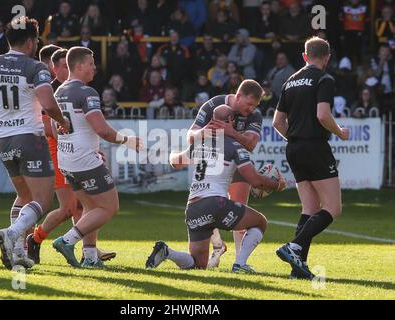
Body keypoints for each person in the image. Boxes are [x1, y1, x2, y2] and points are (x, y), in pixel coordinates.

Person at [0, 16, 70, 270]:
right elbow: (47, 103)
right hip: (29, 138)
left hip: (3, 139)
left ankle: (19, 251)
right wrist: (63, 121)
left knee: (24, 196)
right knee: (43, 201)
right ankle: (13, 234)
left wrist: (1, 108)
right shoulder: (36, 68)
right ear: (32, 41)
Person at [145, 104, 285, 271]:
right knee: (260, 222)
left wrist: (171, 153)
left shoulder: (199, 143)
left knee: (198, 265)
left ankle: (168, 252)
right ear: (231, 121)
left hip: (193, 208)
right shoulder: (235, 145)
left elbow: (175, 162)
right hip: (216, 204)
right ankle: (240, 264)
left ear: (212, 120)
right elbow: (255, 180)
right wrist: (277, 185)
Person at [52, 46, 142, 268]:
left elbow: (55, 129)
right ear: (80, 65)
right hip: (84, 160)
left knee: (91, 208)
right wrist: (127, 140)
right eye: (91, 63)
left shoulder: (59, 91)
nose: (95, 68)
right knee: (109, 207)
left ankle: (90, 257)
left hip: (67, 159)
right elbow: (103, 130)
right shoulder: (86, 93)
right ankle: (67, 241)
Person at [27, 48, 116, 264]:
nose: (67, 69)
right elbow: (49, 128)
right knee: (69, 208)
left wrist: (88, 146)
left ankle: (90, 253)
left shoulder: (65, 90)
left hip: (72, 153)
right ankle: (36, 239)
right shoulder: (50, 92)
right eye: (63, 66)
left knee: (84, 206)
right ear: (54, 68)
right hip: (59, 154)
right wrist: (78, 147)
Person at [272, 36, 350, 279]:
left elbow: (277, 122)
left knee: (309, 207)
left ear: (304, 56)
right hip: (315, 146)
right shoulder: (324, 79)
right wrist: (340, 132)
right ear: (326, 58)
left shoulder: (290, 81)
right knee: (333, 208)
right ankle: (294, 246)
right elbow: (323, 114)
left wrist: (296, 139)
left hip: (293, 147)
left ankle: (299, 268)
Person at [187, 79, 265, 270]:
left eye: (254, 106)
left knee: (239, 206)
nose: (250, 109)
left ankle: (239, 261)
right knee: (208, 202)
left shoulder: (254, 115)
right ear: (238, 96)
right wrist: (206, 131)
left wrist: (232, 133)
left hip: (238, 160)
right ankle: (218, 246)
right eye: (248, 104)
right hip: (214, 162)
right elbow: (191, 136)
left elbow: (251, 144)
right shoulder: (213, 105)